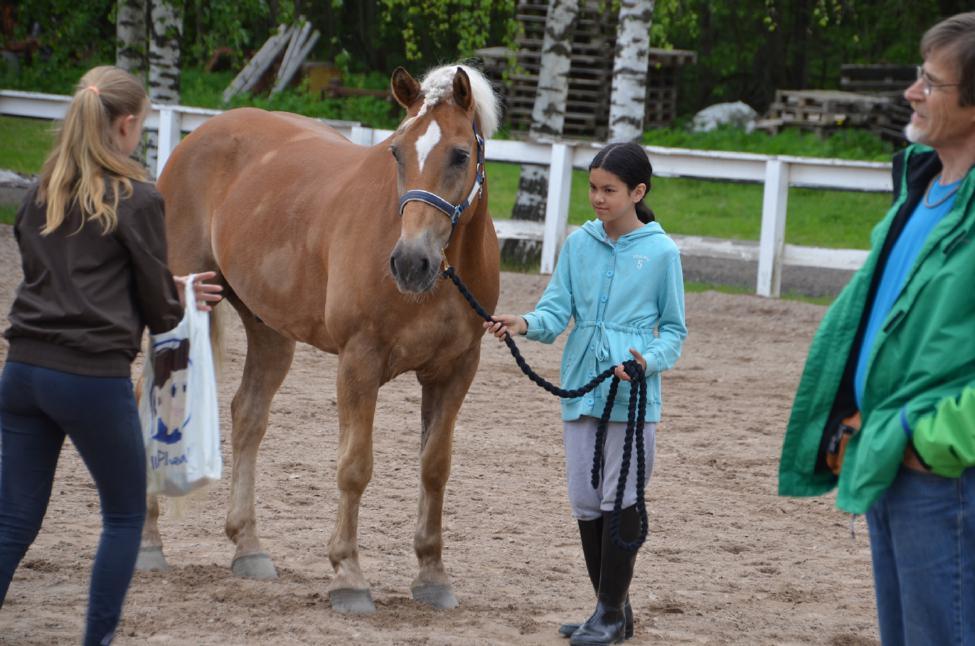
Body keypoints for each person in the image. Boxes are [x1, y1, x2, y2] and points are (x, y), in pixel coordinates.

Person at [0, 66, 222, 646]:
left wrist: (164, 284)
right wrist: (173, 296)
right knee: (124, 516)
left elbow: (58, 277)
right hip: (89, 379)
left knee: (14, 519)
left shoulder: (40, 193)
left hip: (21, 373)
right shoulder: (139, 199)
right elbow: (157, 314)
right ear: (125, 126)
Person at [778, 12, 975, 645]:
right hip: (889, 455)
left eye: (931, 82)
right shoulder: (922, 185)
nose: (912, 92)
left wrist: (927, 442)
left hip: (945, 475)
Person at [486, 141, 687, 645]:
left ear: (637, 192)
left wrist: (647, 360)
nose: (597, 198)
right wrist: (525, 322)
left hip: (632, 393)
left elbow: (674, 331)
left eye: (609, 190)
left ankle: (609, 614)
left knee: (622, 498)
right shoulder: (578, 245)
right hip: (582, 387)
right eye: (593, 188)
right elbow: (557, 313)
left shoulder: (662, 253)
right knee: (585, 499)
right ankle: (612, 609)